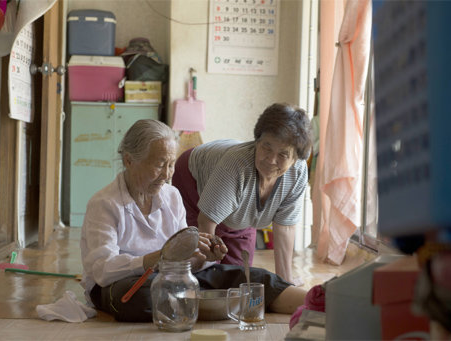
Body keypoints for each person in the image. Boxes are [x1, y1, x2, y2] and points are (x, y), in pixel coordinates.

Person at [80, 119, 307, 322]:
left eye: (171, 165)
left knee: (252, 277)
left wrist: (203, 257)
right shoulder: (104, 204)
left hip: (172, 279)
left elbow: (186, 262)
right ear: (129, 160)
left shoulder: (171, 196)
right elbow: (102, 270)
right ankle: (216, 305)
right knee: (142, 297)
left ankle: (319, 302)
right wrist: (156, 259)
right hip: (123, 285)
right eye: (160, 164)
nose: (167, 174)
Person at [172, 103, 313, 285]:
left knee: (239, 277)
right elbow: (206, 220)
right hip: (193, 180)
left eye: (283, 155)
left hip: (233, 201)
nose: (271, 160)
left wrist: (284, 281)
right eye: (266, 148)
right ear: (257, 142)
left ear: (295, 159)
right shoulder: (236, 165)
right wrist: (209, 269)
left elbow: (284, 227)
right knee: (205, 273)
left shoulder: (298, 173)